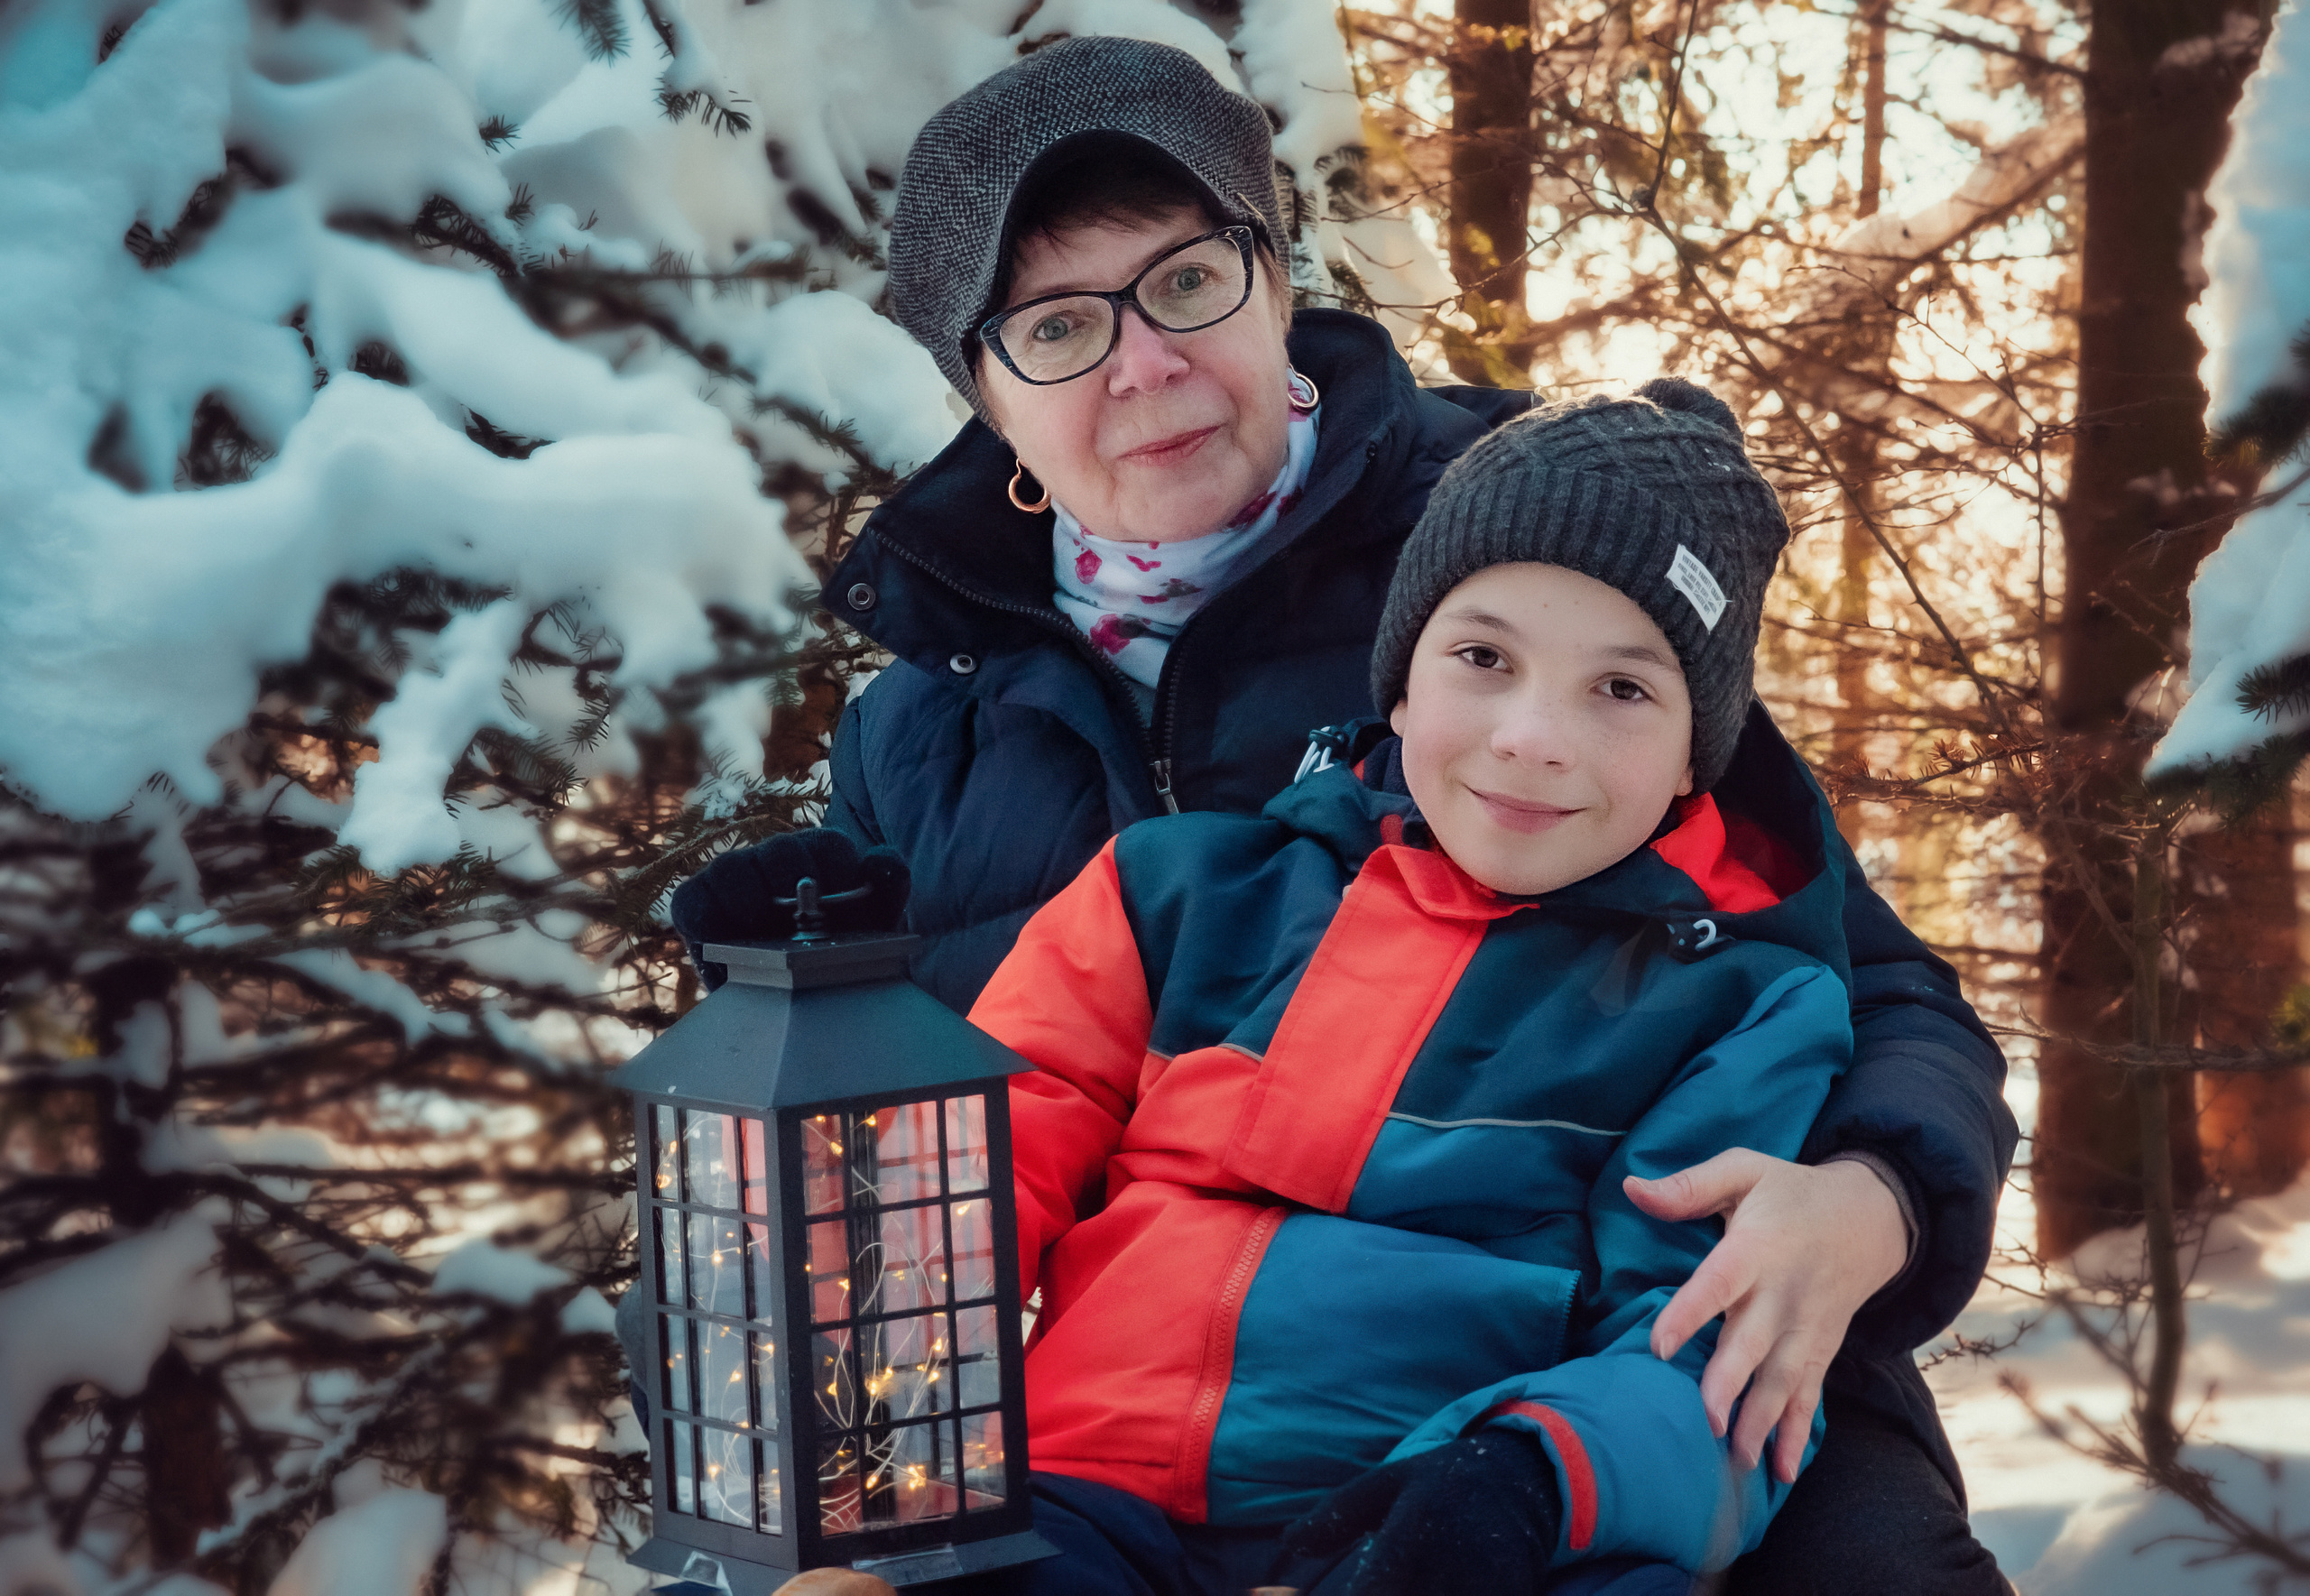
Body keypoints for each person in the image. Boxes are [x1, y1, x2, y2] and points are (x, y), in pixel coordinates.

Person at [662, 35, 2015, 1592]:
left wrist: (1876, 1197)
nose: (1144, 364)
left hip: (1581, 1352)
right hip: (1121, 1412)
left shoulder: (1527, 559)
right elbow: (954, 1134)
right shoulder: (926, 721)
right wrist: (812, 985)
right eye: (1054, 327)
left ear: (1274, 271)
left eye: (1186, 282)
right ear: (980, 392)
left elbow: (1855, 975)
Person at [949, 378, 1869, 1595]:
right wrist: (812, 998)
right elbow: (972, 1159)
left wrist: (1527, 1477)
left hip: (1428, 1526)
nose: (1532, 735)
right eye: (1483, 656)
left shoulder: (1736, 1004)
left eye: (1622, 688)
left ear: (1698, 753)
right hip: (1080, 1500)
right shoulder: (1177, 896)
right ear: (1400, 677)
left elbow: (1710, 1351)